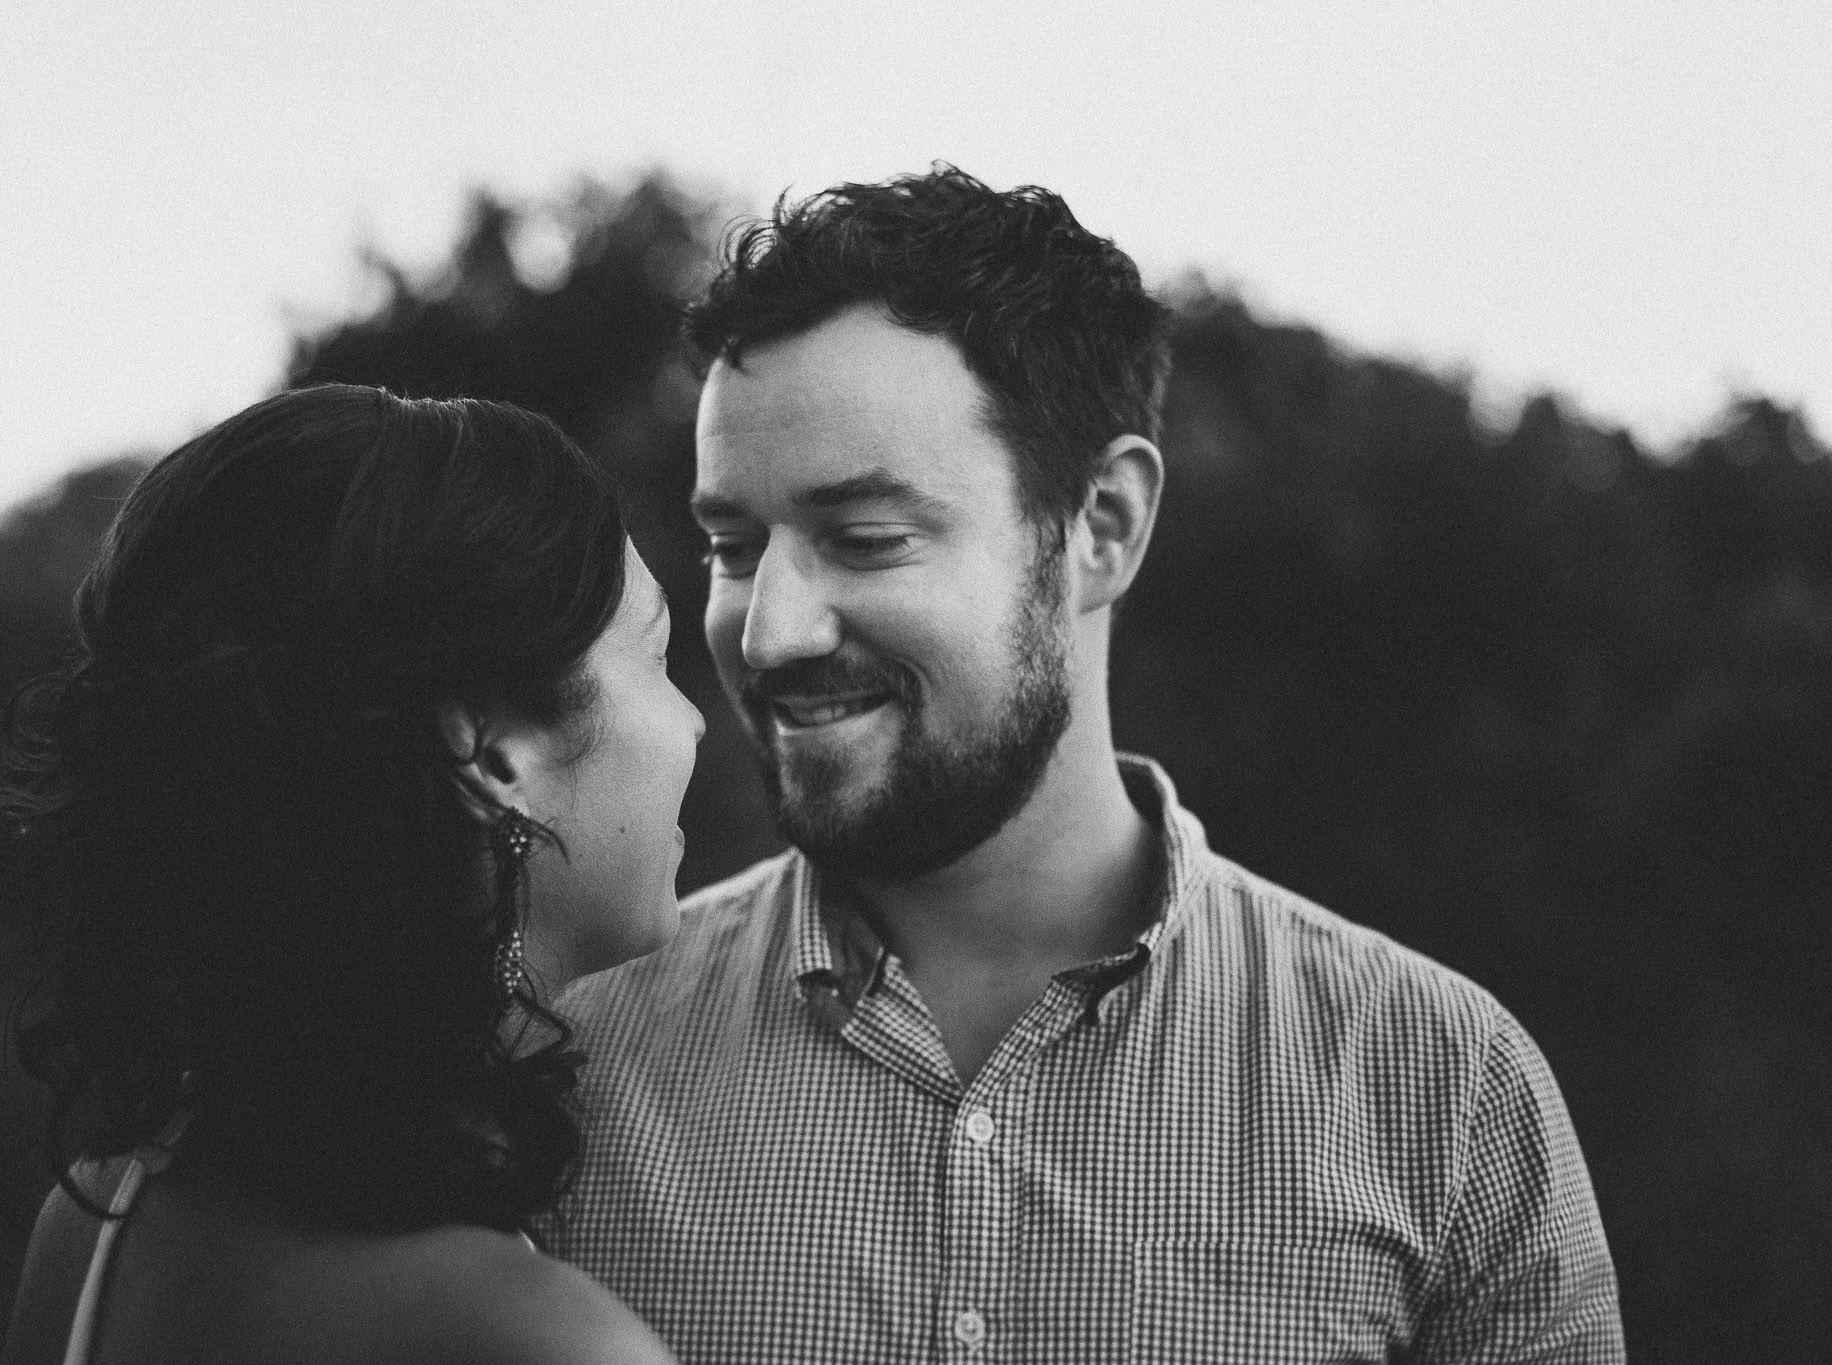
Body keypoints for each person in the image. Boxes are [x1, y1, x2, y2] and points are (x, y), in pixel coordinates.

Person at [546, 168, 1625, 1362]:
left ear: (1100, 525)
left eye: (863, 538)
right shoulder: (568, 1065)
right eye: (731, 546)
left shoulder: (1440, 1090)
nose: (769, 634)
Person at [0, 385, 697, 1365]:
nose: (693, 720)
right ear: (490, 754)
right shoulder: (544, 1342)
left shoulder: (94, 1228)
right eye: (657, 658)